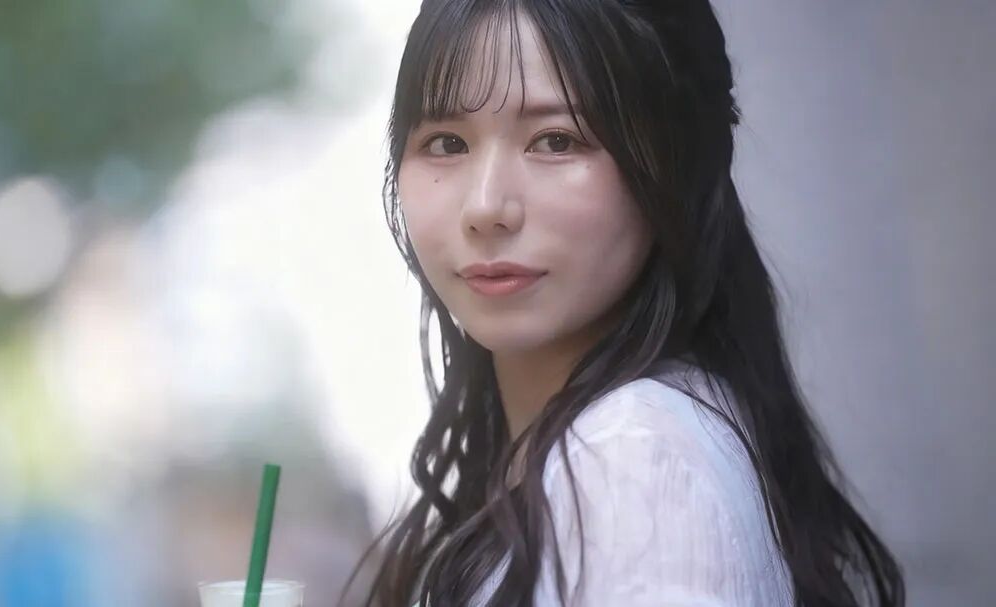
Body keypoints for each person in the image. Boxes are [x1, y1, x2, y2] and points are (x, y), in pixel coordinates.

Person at [344, 1, 906, 605]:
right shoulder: (622, 440)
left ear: (673, 165)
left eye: (556, 140)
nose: (485, 207)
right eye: (447, 142)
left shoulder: (631, 459)